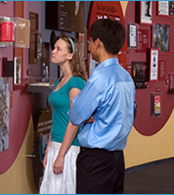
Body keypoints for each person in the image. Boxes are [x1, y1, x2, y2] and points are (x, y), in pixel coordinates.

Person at [67, 19, 136, 194]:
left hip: (95, 160)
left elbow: (76, 115)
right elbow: (131, 112)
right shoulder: (126, 77)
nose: (89, 46)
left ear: (98, 42)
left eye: (90, 41)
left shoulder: (100, 77)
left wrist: (89, 114)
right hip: (117, 158)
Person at [39, 34, 88, 194]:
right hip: (55, 146)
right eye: (54, 48)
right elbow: (56, 118)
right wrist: (48, 151)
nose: (53, 51)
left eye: (58, 49)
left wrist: (61, 156)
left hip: (68, 149)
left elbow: (74, 122)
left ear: (70, 55)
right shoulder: (60, 81)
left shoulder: (76, 83)